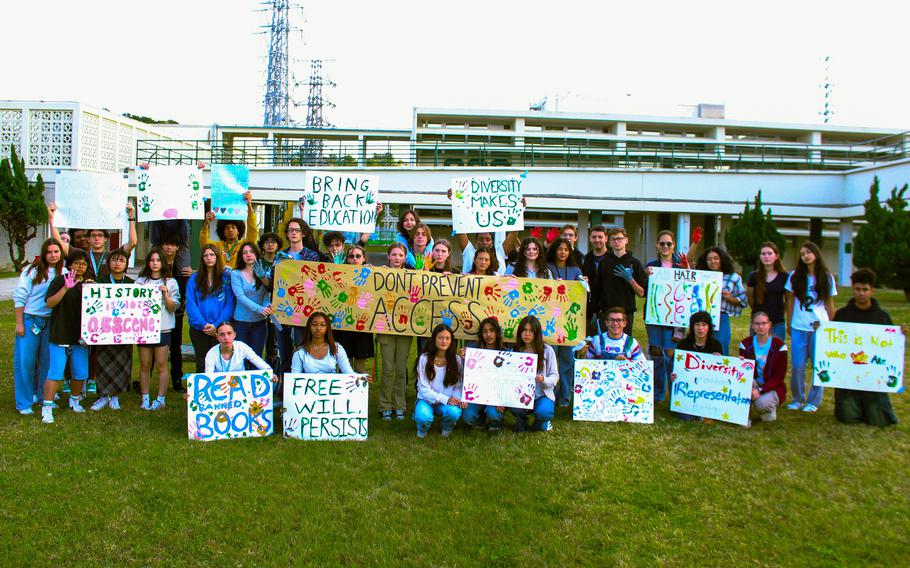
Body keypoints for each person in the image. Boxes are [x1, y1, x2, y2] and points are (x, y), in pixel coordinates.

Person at [832, 269, 908, 426]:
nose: (861, 293)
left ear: (872, 290)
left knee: (878, 420)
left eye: (865, 289)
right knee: (847, 417)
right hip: (849, 373)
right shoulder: (842, 315)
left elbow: (890, 346)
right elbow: (832, 342)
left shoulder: (882, 317)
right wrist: (821, 329)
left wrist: (900, 334)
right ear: (853, 289)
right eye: (858, 289)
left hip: (873, 375)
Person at [13, 238, 65, 414]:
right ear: (44, 253)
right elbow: (20, 296)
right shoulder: (31, 271)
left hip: (52, 322)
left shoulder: (64, 272)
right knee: (25, 362)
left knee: (46, 362)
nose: (53, 255)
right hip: (31, 319)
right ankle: (24, 402)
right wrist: (19, 322)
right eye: (49, 252)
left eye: (56, 252)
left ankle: (44, 398)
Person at [40, 250, 91, 423]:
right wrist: (65, 288)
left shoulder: (90, 284)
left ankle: (74, 400)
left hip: (81, 338)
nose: (80, 266)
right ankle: (47, 406)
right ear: (70, 265)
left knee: (81, 372)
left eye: (84, 264)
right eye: (77, 263)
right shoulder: (59, 281)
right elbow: (49, 303)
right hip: (60, 334)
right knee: (55, 372)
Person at [785, 241, 836, 413]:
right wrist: (789, 322)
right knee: (798, 365)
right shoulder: (795, 276)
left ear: (816, 254)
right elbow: (790, 300)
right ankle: (798, 398)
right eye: (802, 254)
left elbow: (829, 303)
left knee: (817, 364)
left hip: (819, 327)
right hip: (799, 326)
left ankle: (814, 400)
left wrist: (832, 326)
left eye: (808, 252)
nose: (805, 256)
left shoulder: (826, 277)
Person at [135, 248, 181, 411]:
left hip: (163, 329)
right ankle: (145, 397)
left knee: (161, 364)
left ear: (163, 263)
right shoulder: (140, 281)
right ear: (148, 262)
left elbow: (173, 307)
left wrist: (166, 295)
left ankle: (161, 398)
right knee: (145, 364)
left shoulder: (170, 282)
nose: (155, 263)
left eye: (158, 260)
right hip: (144, 329)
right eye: (152, 260)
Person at [90, 249, 136, 411]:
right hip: (104, 330)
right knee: (102, 361)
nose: (117, 264)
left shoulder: (132, 283)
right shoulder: (100, 281)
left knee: (123, 361)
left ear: (126, 264)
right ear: (109, 263)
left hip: (125, 330)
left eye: (121, 261)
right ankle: (103, 395)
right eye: (114, 260)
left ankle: (115, 396)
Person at [643, 230, 685, 402]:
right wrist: (646, 275)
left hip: (675, 315)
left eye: (669, 243)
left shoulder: (681, 266)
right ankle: (658, 393)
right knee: (656, 352)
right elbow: (644, 290)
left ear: (673, 245)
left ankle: (675, 391)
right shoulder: (651, 265)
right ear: (657, 245)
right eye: (662, 243)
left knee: (672, 352)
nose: (665, 246)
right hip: (654, 314)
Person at [546, 237, 585, 406]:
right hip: (551, 320)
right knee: (551, 358)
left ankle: (565, 397)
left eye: (566, 249)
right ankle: (550, 394)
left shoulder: (575, 270)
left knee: (567, 359)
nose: (562, 252)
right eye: (559, 249)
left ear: (570, 252)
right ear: (554, 250)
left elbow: (580, 294)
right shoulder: (546, 268)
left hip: (569, 321)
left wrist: (584, 285)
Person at [377, 243, 414, 421]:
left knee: (401, 369)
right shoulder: (381, 273)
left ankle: (399, 405)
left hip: (406, 327)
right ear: (388, 256)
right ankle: (384, 405)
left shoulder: (413, 275)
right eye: (394, 254)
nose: (397, 258)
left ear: (405, 257)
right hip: (385, 326)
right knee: (387, 368)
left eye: (401, 255)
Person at [186, 244, 236, 373]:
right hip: (199, 329)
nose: (209, 258)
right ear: (202, 259)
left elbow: (229, 304)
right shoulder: (194, 279)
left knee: (220, 363)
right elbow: (191, 305)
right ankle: (201, 391)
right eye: (205, 255)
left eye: (212, 254)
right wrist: (203, 324)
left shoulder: (226, 278)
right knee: (202, 363)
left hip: (220, 329)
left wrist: (217, 326)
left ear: (217, 257)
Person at [290, 312, 374, 384]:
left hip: (332, 396)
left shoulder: (336, 348)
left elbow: (348, 372)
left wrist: (361, 377)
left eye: (322, 325)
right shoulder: (300, 353)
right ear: (309, 327)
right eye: (314, 325)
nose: (318, 328)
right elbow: (294, 378)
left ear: (327, 328)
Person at [414, 324, 465, 438]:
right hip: (426, 400)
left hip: (447, 401)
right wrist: (446, 399)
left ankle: (447, 429)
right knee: (423, 416)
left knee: (454, 412)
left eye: (447, 338)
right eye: (440, 337)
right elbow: (424, 389)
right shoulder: (424, 359)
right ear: (434, 339)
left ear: (451, 341)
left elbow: (458, 385)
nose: (444, 341)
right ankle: (422, 430)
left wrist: (457, 399)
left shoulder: (456, 360)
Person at [592, 227, 645, 336]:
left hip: (626, 313)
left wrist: (631, 280)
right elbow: (597, 290)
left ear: (626, 240)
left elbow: (641, 293)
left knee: (624, 347)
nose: (616, 242)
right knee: (605, 346)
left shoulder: (635, 263)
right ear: (609, 242)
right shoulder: (604, 263)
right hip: (606, 312)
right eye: (613, 239)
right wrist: (594, 313)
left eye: (620, 239)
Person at [670, 311, 723, 421]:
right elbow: (674, 366)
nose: (700, 328)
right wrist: (673, 375)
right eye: (697, 324)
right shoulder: (683, 344)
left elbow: (722, 374)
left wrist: (719, 361)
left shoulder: (715, 345)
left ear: (709, 327)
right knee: (686, 417)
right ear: (692, 327)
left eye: (704, 325)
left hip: (708, 390)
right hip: (687, 390)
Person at [696, 246, 748, 356]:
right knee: (700, 349)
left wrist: (730, 298)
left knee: (720, 349)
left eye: (716, 258)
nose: (712, 261)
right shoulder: (700, 276)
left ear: (722, 259)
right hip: (701, 318)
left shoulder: (733, 277)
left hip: (721, 317)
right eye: (709, 259)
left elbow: (743, 300)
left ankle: (719, 372)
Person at [331, 245, 375, 373]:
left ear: (364, 259)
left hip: (362, 325)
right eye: (351, 256)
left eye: (358, 256)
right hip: (343, 326)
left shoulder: (372, 274)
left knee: (360, 366)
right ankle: (344, 392)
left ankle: (361, 392)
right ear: (347, 259)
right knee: (345, 364)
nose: (355, 259)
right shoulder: (339, 273)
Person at [510, 316, 558, 432]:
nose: (527, 334)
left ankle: (542, 421)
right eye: (524, 330)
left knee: (543, 413)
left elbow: (555, 375)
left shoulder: (547, 350)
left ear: (537, 333)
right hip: (521, 394)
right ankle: (522, 418)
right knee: (514, 408)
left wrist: (544, 379)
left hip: (542, 394)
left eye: (531, 331)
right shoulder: (515, 351)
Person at [738, 311, 788, 423]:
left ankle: (768, 408)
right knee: (743, 386)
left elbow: (779, 376)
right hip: (753, 382)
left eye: (764, 323)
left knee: (761, 404)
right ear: (752, 325)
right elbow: (743, 373)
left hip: (772, 386)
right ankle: (744, 416)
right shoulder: (745, 344)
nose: (761, 327)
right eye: (757, 323)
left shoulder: (779, 346)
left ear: (770, 324)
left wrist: (760, 390)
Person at [461, 317, 508, 431]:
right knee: (467, 416)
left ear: (497, 332)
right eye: (484, 331)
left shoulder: (506, 353)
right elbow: (465, 375)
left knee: (494, 414)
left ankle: (495, 422)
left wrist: (503, 400)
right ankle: (480, 419)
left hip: (496, 395)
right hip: (477, 393)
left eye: (492, 330)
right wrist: (463, 359)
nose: (488, 334)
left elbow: (508, 380)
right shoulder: (473, 350)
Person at [159, 232, 191, 393]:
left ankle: (177, 380)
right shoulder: (157, 264)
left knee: (176, 347)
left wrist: (191, 275)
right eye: (166, 243)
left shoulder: (183, 269)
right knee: (155, 345)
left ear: (178, 247)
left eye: (173, 244)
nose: (169, 247)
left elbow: (186, 291)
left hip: (176, 312)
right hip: (158, 313)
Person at [231, 242, 272, 360]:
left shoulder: (264, 274)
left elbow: (266, 295)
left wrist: (266, 306)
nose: (248, 255)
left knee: (256, 357)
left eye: (251, 252)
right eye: (244, 253)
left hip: (260, 323)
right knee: (241, 357)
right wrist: (260, 309)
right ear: (241, 256)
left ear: (257, 254)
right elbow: (241, 297)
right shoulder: (236, 274)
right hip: (241, 322)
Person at [201, 190, 258, 269]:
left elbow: (253, 230)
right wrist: (206, 224)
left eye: (233, 227)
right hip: (220, 280)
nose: (230, 230)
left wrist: (249, 205)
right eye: (227, 228)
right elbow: (204, 242)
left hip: (239, 280)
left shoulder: (245, 245)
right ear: (223, 232)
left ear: (239, 231)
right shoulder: (217, 246)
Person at [746, 242, 788, 340]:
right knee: (756, 353)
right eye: (763, 254)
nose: (766, 256)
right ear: (760, 257)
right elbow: (750, 299)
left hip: (777, 323)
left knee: (776, 353)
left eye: (770, 253)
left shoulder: (785, 276)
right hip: (758, 322)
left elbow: (788, 300)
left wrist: (781, 312)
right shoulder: (753, 276)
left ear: (776, 256)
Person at [577, 307, 645, 361]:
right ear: (606, 323)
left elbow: (642, 367)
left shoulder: (632, 342)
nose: (615, 323)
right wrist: (582, 354)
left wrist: (626, 362)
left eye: (619, 320)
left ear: (624, 323)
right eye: (612, 320)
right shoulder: (597, 340)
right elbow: (585, 364)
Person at [204, 321, 271, 373]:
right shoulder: (211, 353)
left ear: (234, 335)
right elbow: (209, 375)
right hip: (219, 387)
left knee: (273, 383)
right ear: (217, 337)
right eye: (222, 334)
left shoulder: (241, 346)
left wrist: (269, 371)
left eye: (229, 333)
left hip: (241, 384)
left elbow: (256, 360)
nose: (226, 337)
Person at [581, 225, 609, 334]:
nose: (597, 240)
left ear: (606, 238)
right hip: (588, 307)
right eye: (594, 237)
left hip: (607, 307)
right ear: (590, 238)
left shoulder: (612, 258)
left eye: (600, 237)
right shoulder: (586, 259)